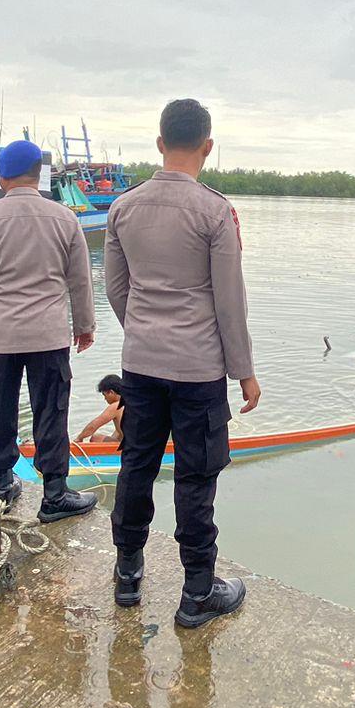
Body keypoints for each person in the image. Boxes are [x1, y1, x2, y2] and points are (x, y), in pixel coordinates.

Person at [104, 99, 261, 628]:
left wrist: (145, 332)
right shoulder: (216, 211)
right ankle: (197, 592)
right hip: (197, 370)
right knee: (197, 476)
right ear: (208, 147)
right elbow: (228, 299)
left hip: (141, 364)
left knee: (136, 464)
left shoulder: (123, 207)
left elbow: (116, 288)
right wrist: (244, 370)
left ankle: (128, 574)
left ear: (159, 143)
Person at [0, 138, 98, 522]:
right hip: (48, 334)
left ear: (1, 177)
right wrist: (84, 325)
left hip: (0, 335)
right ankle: (54, 495)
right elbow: (80, 280)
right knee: (52, 410)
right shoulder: (64, 218)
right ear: (40, 176)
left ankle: (2, 486)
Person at [76, 374, 126, 443]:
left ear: (111, 392)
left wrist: (79, 438)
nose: (105, 399)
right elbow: (120, 431)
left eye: (104, 395)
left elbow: (93, 426)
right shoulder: (129, 401)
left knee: (95, 438)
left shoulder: (116, 406)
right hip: (137, 442)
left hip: (130, 445)